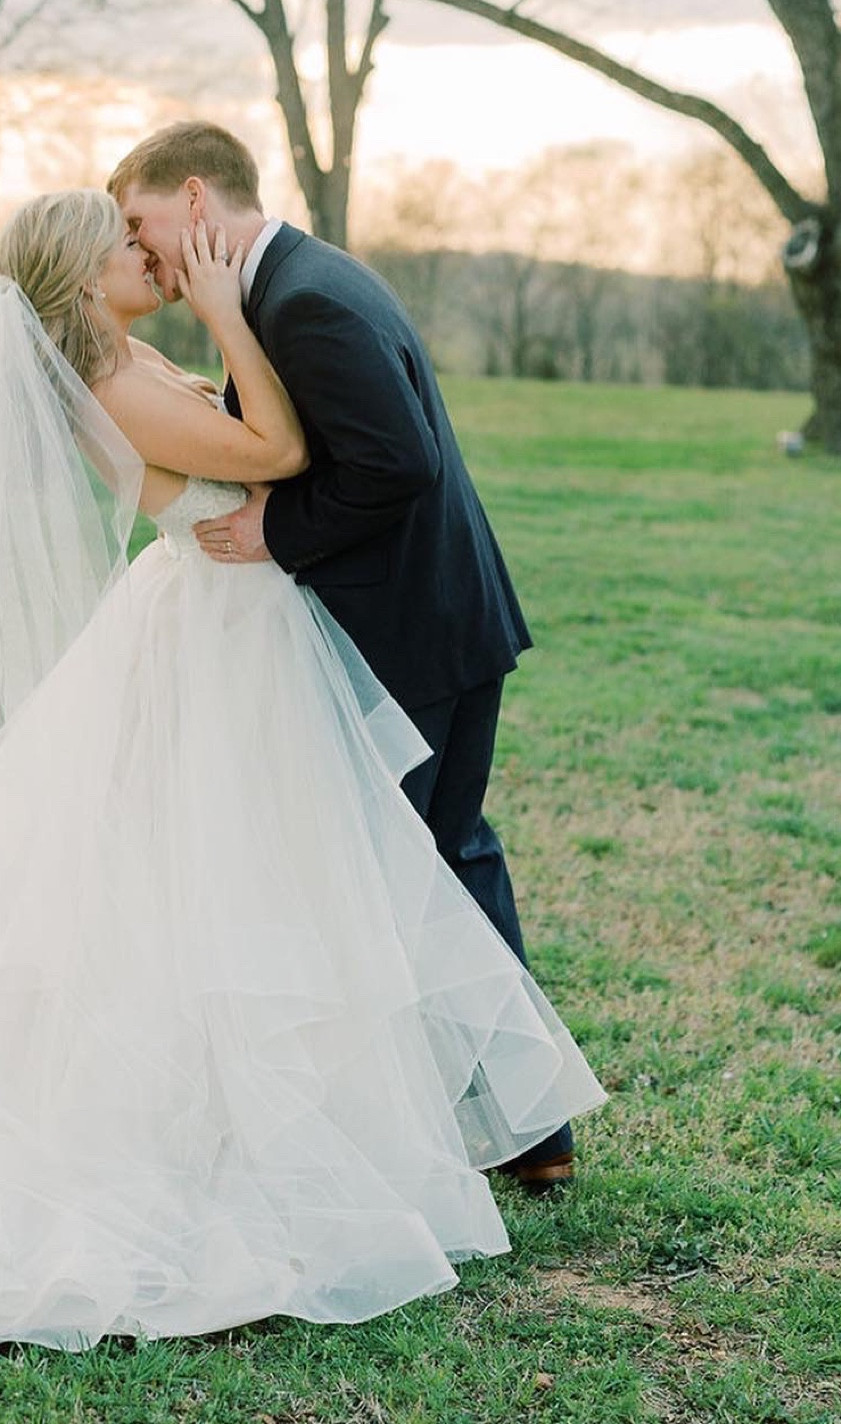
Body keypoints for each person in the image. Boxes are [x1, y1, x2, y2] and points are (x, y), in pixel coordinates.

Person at [0, 189, 602, 1350]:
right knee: (232, 880)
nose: (145, 254)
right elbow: (277, 451)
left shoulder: (128, 357)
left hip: (237, 630)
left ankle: (358, 1110)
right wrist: (230, 310)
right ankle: (230, 1122)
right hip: (220, 634)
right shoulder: (113, 385)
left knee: (263, 880)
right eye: (124, 244)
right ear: (86, 277)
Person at [110, 122, 575, 1189]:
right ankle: (519, 1128)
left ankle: (489, 1130)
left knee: (414, 874)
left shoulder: (302, 301)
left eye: (141, 222)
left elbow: (396, 462)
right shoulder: (292, 281)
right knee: (436, 863)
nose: (141, 250)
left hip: (410, 631)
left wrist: (276, 530)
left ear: (194, 197)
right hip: (430, 617)